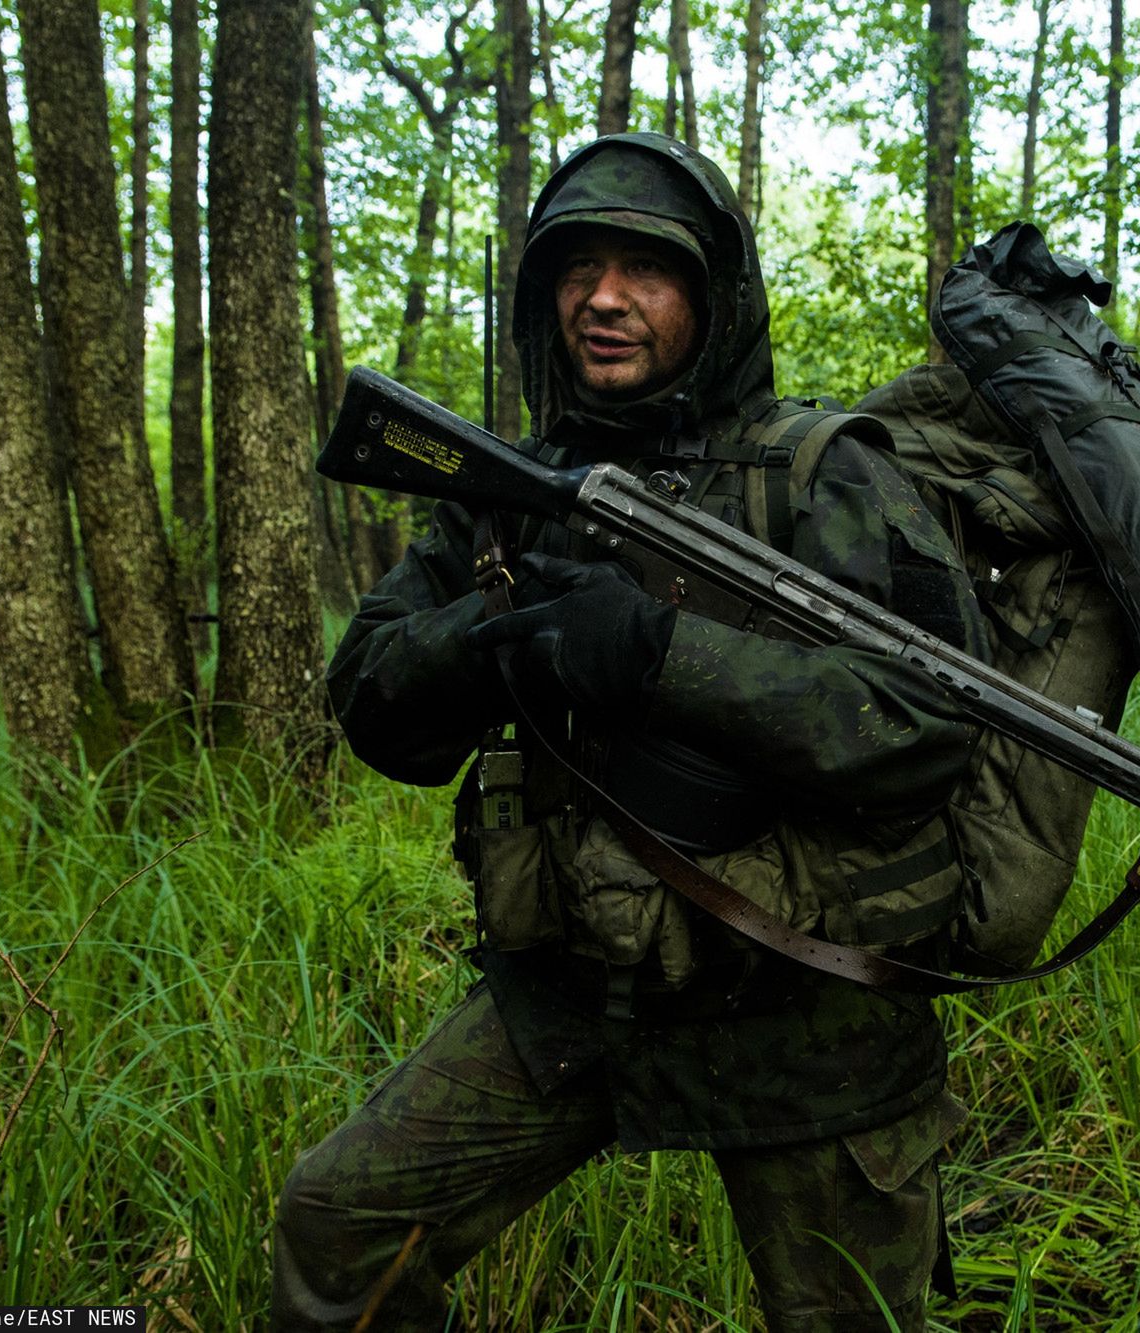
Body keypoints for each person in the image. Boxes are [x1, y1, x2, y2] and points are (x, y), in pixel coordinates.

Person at [272, 132, 990, 1332]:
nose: (602, 299)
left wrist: (661, 656)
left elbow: (931, 725)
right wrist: (494, 632)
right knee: (336, 1226)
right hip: (573, 990)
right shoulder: (506, 488)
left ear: (711, 297)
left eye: (644, 270)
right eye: (576, 267)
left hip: (800, 1009)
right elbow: (372, 706)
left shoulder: (821, 478)